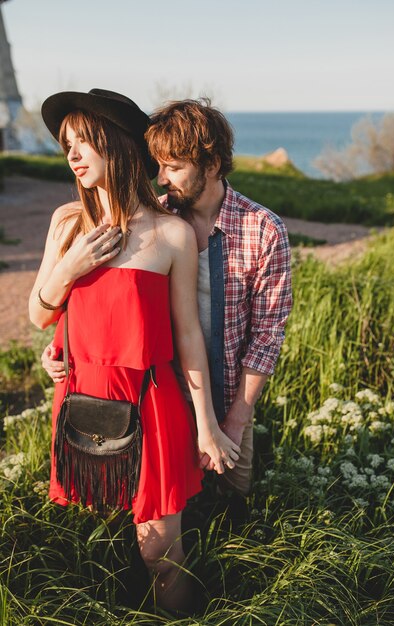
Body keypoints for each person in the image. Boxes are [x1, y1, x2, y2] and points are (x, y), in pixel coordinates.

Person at [29, 89, 240, 613]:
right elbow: (39, 314)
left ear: (118, 146)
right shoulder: (66, 223)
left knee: (161, 554)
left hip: (150, 404)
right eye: (67, 144)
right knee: (105, 542)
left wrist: (207, 423)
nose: (73, 155)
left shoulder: (171, 233)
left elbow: (188, 335)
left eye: (85, 142)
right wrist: (70, 267)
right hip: (82, 400)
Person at [41, 97, 292, 499]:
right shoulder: (153, 219)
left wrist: (233, 422)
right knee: (165, 506)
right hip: (159, 395)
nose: (161, 180)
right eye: (158, 166)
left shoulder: (263, 230)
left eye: (173, 168)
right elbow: (102, 300)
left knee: (232, 501)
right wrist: (59, 346)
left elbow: (267, 337)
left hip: (227, 396)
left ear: (211, 165)